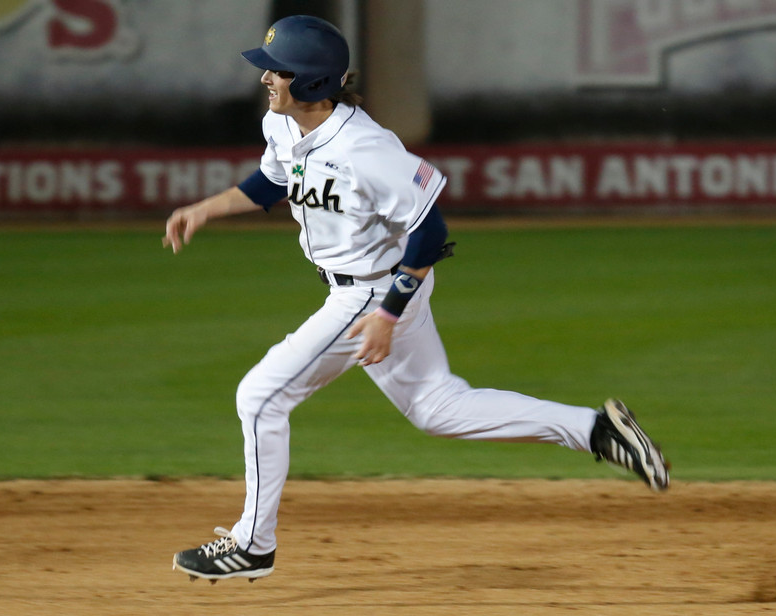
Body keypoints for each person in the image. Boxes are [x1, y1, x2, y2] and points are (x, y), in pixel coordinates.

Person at [165, 15, 669, 584]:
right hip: (368, 289)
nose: (264, 79)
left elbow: (430, 231)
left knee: (259, 397)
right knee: (437, 407)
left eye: (275, 71)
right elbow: (272, 182)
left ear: (309, 84)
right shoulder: (282, 125)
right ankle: (597, 431)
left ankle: (253, 545)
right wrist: (207, 208)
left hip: (374, 291)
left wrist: (386, 314)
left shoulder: (366, 149)